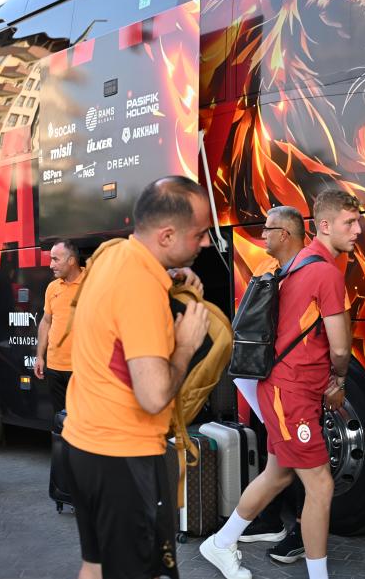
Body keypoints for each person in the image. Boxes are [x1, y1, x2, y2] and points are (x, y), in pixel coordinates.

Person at [202, 189, 361, 579]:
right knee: (320, 485)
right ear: (325, 226)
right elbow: (340, 347)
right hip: (292, 393)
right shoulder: (325, 272)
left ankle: (221, 542)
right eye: (350, 223)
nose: (358, 230)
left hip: (281, 389)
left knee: (279, 473)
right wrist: (339, 379)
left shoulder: (298, 265)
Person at [62, 176, 211, 579]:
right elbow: (153, 394)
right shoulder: (142, 287)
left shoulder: (115, 254)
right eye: (198, 234)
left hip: (83, 445)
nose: (205, 243)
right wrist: (186, 345)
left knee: (96, 566)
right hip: (124, 458)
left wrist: (172, 274)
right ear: (167, 236)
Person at [235, 206, 307, 558]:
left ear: (285, 234)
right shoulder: (268, 267)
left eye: (267, 229)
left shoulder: (308, 270)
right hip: (265, 378)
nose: (261, 234)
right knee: (274, 451)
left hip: (294, 381)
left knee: (304, 462)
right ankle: (271, 520)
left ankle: (302, 533)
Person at [34, 239, 83, 415]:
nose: (50, 265)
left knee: (82, 422)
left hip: (81, 369)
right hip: (54, 368)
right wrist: (40, 356)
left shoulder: (92, 283)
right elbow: (46, 321)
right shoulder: (52, 288)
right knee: (60, 421)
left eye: (55, 259)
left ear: (71, 261)